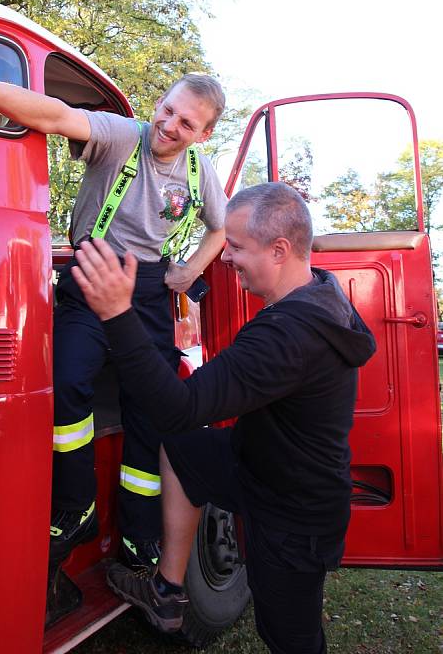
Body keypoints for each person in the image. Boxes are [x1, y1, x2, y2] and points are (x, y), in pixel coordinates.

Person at [0, 34, 228, 614]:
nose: (168, 126)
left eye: (186, 123)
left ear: (203, 134)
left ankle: (140, 541)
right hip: (92, 279)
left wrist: (189, 270)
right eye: (166, 110)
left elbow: (218, 228)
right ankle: (76, 506)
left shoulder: (201, 171)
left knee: (154, 413)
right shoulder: (122, 137)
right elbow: (60, 115)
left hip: (147, 295)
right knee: (66, 381)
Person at [70, 182, 376, 654]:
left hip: (293, 511)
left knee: (289, 637)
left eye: (235, 247)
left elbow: (178, 406)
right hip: (258, 467)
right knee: (183, 446)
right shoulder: (319, 291)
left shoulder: (289, 336)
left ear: (279, 250)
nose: (225, 258)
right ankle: (167, 591)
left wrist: (117, 312)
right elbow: (183, 422)